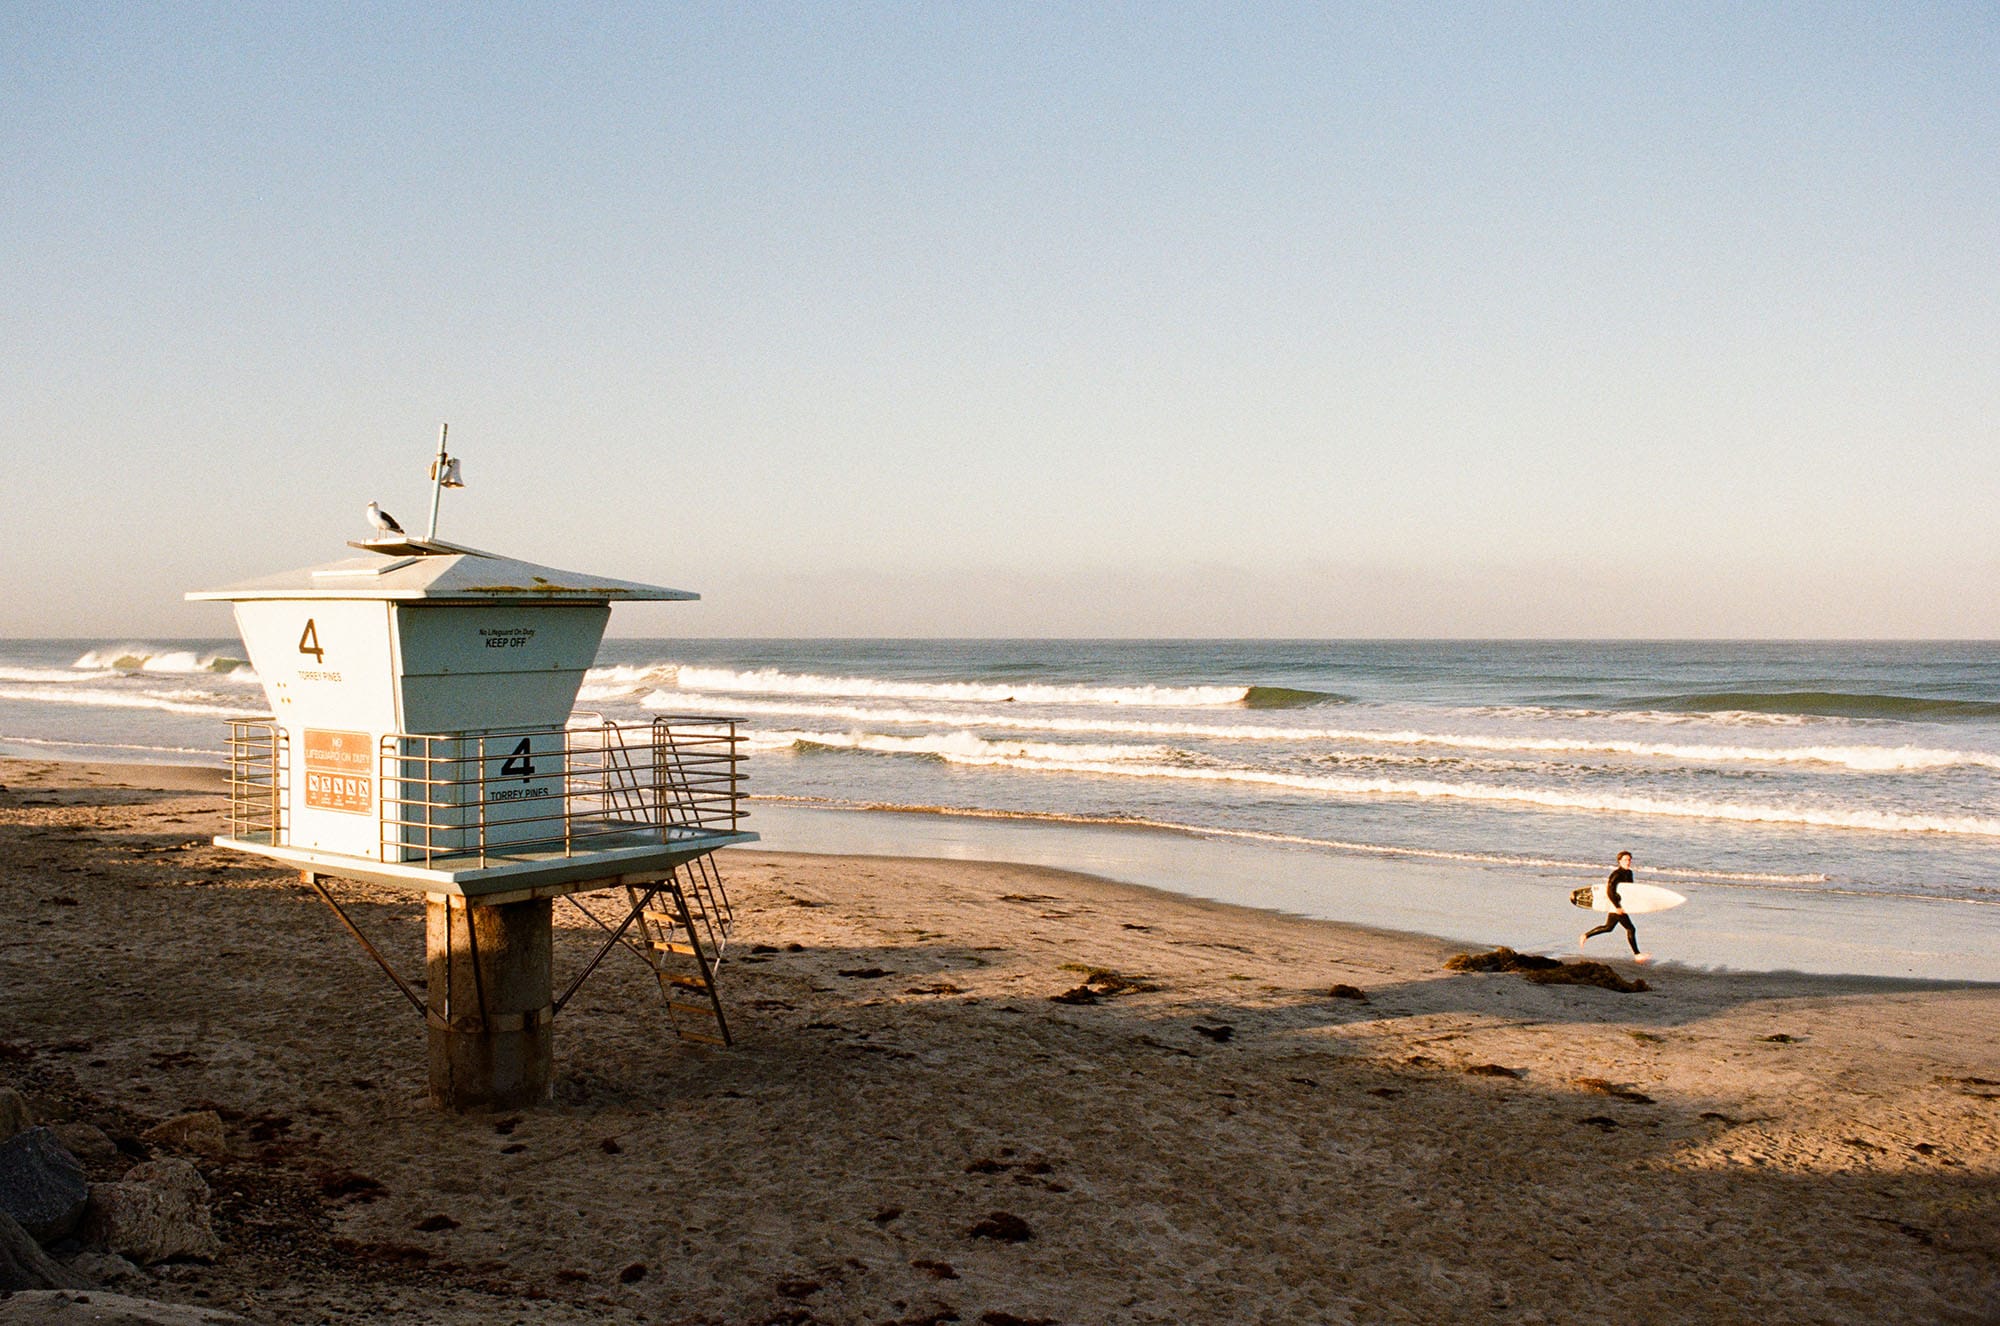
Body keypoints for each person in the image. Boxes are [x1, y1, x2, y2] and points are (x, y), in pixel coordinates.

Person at [1581, 850, 1650, 964]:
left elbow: (1629, 890)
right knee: (1630, 928)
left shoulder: (1629, 873)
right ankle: (1637, 955)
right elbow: (1609, 891)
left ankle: (1585, 935)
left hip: (1622, 905)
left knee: (1608, 927)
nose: (1628, 862)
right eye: (1625, 860)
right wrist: (1617, 906)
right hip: (1616, 906)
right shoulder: (1616, 874)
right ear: (1619, 861)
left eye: (1629, 860)